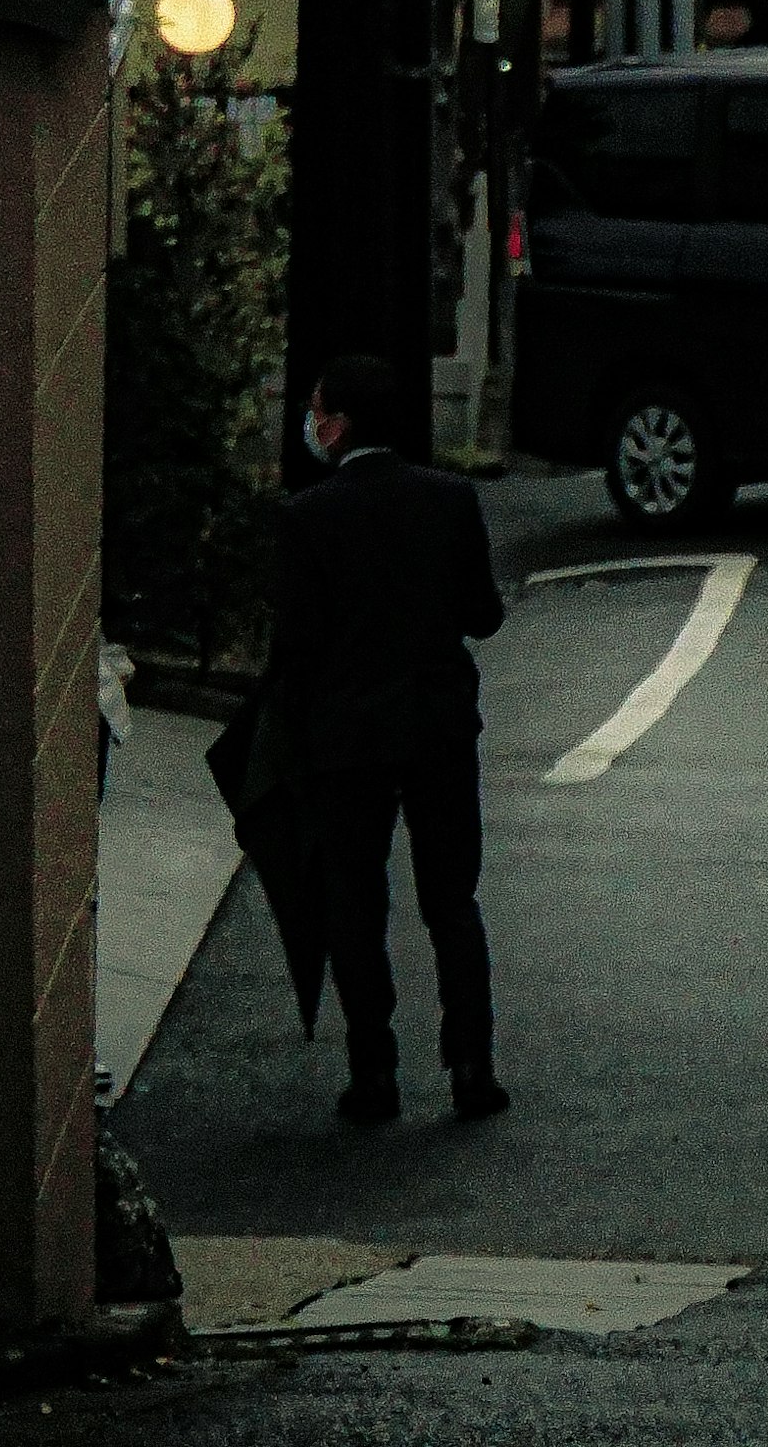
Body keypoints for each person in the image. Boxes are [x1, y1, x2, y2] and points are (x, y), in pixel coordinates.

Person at [268, 354, 509, 1129]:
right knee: (452, 902)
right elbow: (484, 616)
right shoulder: (450, 499)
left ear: (334, 426)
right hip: (437, 724)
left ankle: (374, 1072)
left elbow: (295, 649)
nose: (310, 422)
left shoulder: (307, 518)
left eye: (314, 408)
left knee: (355, 907)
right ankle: (472, 1066)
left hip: (348, 738)